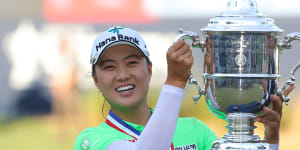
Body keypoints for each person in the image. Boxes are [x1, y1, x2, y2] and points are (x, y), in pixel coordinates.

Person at [74, 26, 294, 150]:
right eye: (109, 67)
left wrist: (270, 138)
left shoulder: (195, 131)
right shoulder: (91, 140)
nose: (122, 75)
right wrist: (176, 81)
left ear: (149, 70)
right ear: (96, 81)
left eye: (132, 62)